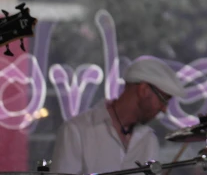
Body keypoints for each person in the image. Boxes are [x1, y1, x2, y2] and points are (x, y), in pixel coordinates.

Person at [51, 57, 186, 174]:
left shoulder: (149, 140)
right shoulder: (76, 131)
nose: (164, 109)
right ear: (143, 90)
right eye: (163, 100)